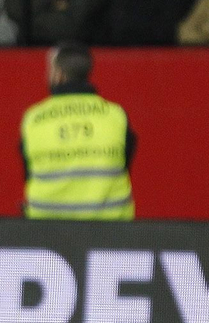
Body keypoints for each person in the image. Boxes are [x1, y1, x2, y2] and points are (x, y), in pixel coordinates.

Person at [20, 43, 135, 220]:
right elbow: (124, 163)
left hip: (45, 228)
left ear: (58, 75)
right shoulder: (116, 115)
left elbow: (28, 172)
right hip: (110, 229)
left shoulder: (34, 119)